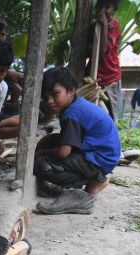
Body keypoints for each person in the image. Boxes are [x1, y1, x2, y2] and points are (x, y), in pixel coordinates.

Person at [34, 67, 120, 215]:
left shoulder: (72, 114)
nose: (49, 101)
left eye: (55, 94)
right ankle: (94, 179)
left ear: (71, 91)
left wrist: (43, 152)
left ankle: (93, 183)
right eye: (45, 97)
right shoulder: (76, 105)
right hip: (102, 153)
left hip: (99, 159)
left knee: (41, 165)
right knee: (49, 141)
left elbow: (63, 152)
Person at [95, 0, 122, 120]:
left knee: (111, 116)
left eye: (107, 7)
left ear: (114, 9)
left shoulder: (114, 25)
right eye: (101, 7)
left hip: (111, 78)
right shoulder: (93, 27)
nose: (103, 10)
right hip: (96, 79)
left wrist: (105, 25)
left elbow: (103, 52)